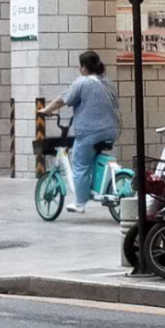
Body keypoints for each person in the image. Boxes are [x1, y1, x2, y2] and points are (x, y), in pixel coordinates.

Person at [38, 51, 120, 214]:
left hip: (90, 133)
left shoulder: (82, 82)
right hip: (112, 131)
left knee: (80, 164)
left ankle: (80, 202)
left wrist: (46, 110)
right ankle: (95, 186)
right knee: (91, 158)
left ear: (84, 68)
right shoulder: (107, 82)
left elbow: (63, 99)